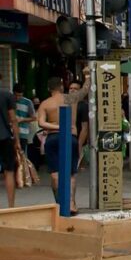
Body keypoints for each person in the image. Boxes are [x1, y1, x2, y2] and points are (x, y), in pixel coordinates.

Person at [38, 70, 89, 214]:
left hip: (53, 138)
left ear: (49, 89)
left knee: (55, 173)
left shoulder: (45, 103)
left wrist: (56, 126)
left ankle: (60, 204)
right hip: (70, 137)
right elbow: (86, 89)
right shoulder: (70, 98)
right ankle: (72, 203)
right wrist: (87, 76)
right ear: (61, 86)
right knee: (71, 174)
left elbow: (41, 123)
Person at [0, 76, 20, 208]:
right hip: (5, 137)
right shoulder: (7, 95)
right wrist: (17, 141)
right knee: (9, 171)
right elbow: (13, 119)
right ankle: (11, 206)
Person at [70, 82, 90, 169]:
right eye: (71, 88)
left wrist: (80, 144)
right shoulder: (66, 103)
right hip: (67, 137)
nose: (72, 90)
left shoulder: (83, 106)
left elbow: (84, 128)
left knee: (74, 167)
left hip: (77, 138)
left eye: (75, 88)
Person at [13, 84, 35, 158]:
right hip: (10, 133)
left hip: (23, 133)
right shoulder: (9, 100)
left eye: (20, 95)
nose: (17, 98)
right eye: (16, 95)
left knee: (21, 156)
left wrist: (22, 119)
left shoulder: (28, 102)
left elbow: (34, 118)